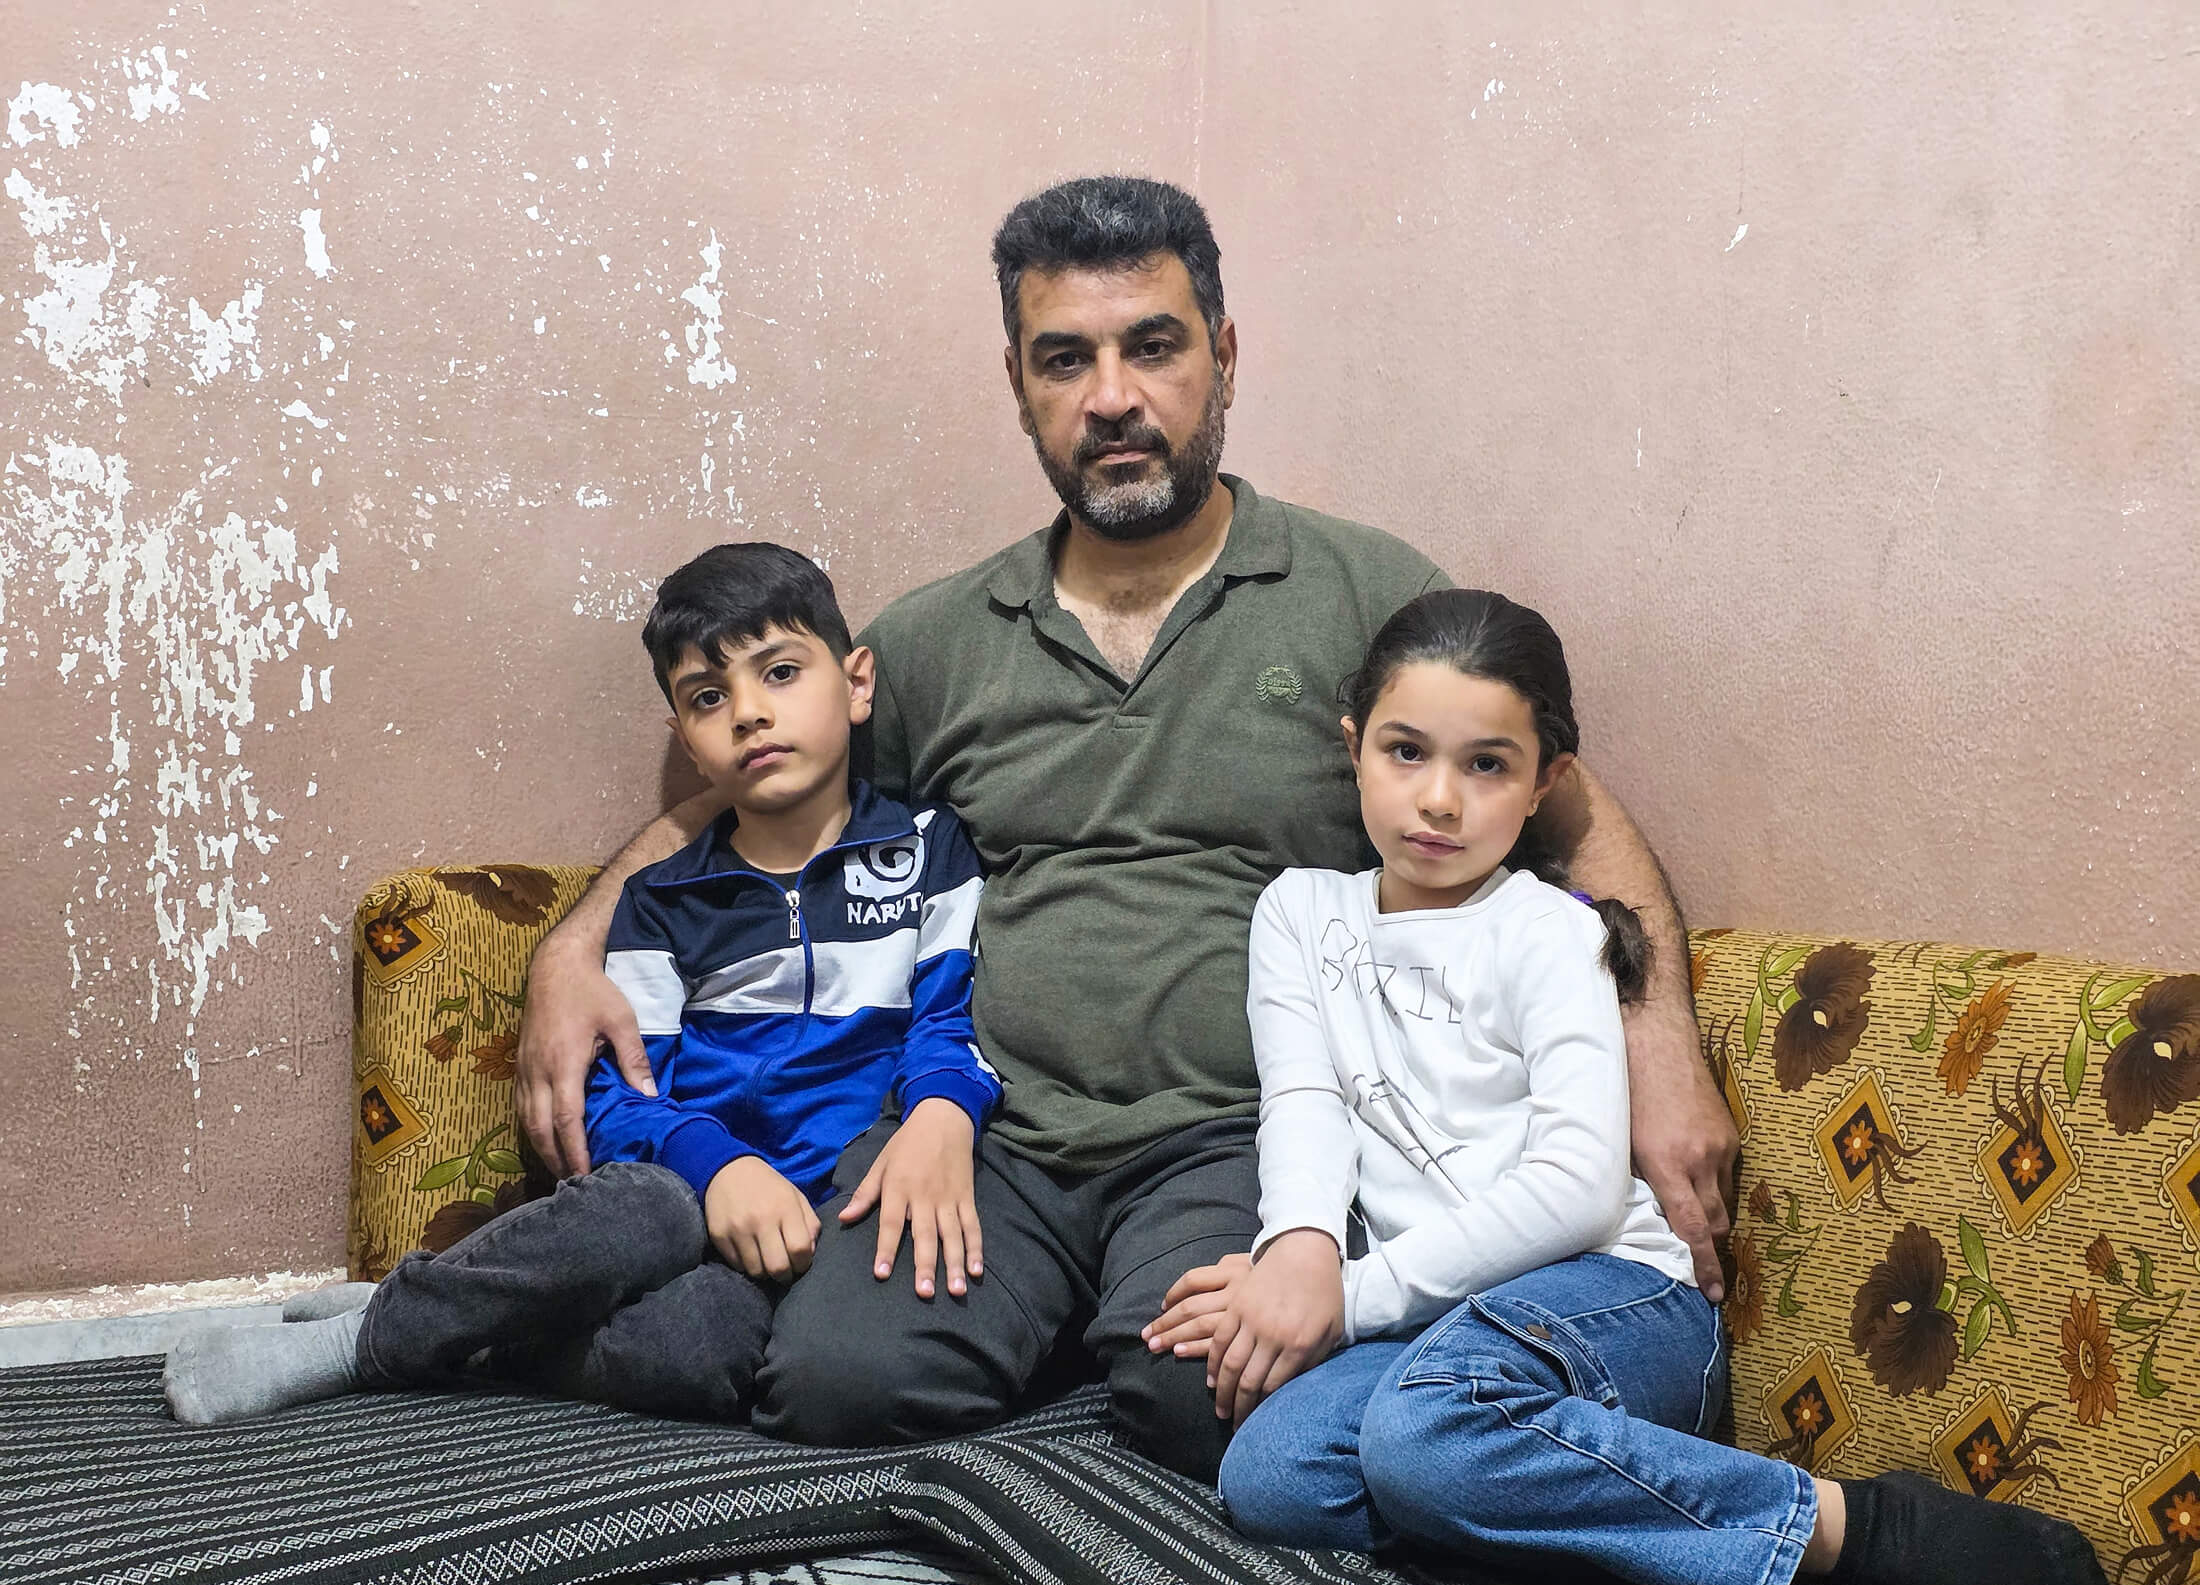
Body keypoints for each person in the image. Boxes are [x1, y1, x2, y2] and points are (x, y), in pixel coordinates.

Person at [512, 176, 1738, 1484]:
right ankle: (1038, 1322)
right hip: (995, 1137)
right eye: (1064, 359)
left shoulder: (1359, 591)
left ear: (1222, 356)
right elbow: (753, 788)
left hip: (1242, 1136)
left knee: (1207, 1397)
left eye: (1151, 344)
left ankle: (1103, 1341)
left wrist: (1659, 1054)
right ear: (1019, 384)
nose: (1111, 395)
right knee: (831, 1382)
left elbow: (1572, 808)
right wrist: (571, 953)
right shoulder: (935, 639)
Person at [1141, 588, 2122, 1585]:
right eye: (1404, 751)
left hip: (1614, 1300)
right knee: (1274, 1474)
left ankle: (1849, 1526)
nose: (1437, 799)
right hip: (1438, 1327)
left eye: (1485, 766)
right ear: (1353, 747)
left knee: (1420, 1441)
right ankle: (1539, 1483)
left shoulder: (1551, 934)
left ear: (1543, 784)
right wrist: (1292, 1250)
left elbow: (1571, 1189)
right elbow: (1302, 1102)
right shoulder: (1296, 913)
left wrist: (1342, 1295)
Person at [163, 543, 997, 1427]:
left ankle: (433, 1320)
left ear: (857, 682)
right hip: (688, 1202)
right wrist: (718, 1170)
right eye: (709, 698)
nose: (750, 714)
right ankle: (356, 1347)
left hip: (833, 1221)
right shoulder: (663, 898)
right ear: (687, 735)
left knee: (702, 1356)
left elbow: (951, 1028)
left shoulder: (929, 851)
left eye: (781, 672)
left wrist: (940, 1112)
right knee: (642, 1212)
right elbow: (620, 1104)